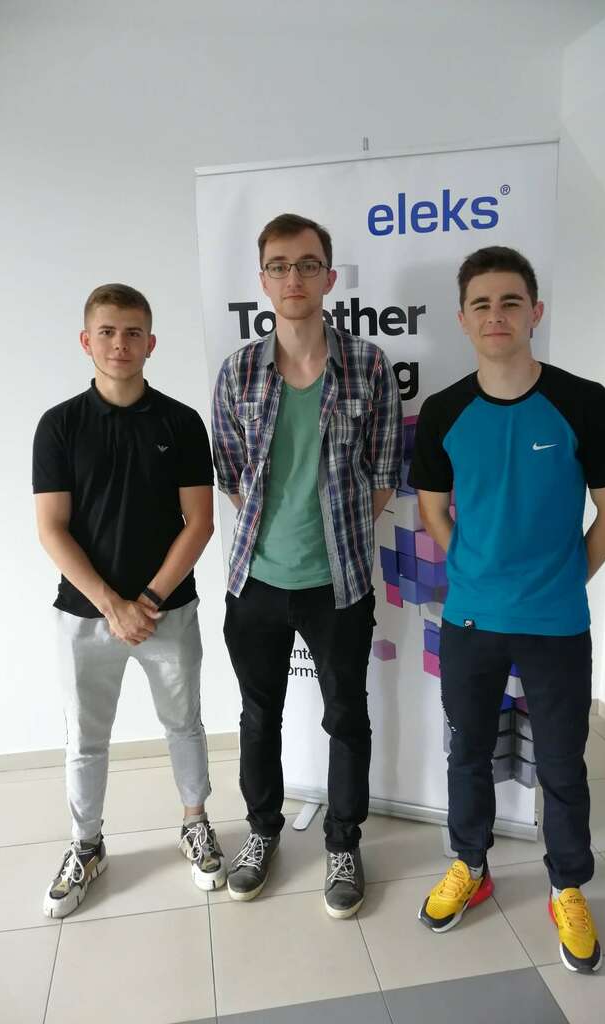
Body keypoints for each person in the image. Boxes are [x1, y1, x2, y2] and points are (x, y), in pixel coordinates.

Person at [409, 246, 605, 973]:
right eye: (481, 304)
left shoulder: (583, 401)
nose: (496, 315)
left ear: (535, 312)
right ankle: (470, 866)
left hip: (556, 623)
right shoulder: (444, 411)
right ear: (463, 319)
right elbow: (433, 510)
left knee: (563, 763)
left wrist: (563, 579)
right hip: (470, 620)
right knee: (467, 753)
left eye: (511, 302)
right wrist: (477, 570)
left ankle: (567, 885)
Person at [212, 213, 402, 918]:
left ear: (329, 276)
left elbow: (383, 474)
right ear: (263, 280)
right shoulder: (237, 371)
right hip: (255, 583)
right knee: (259, 717)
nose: (294, 277)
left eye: (308, 264)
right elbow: (232, 474)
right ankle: (262, 833)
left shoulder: (369, 366)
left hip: (339, 586)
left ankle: (343, 843)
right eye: (280, 266)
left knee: (346, 716)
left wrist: (335, 535)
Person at [33, 283, 223, 918]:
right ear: (87, 341)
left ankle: (195, 822)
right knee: (86, 738)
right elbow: (51, 528)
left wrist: (145, 599)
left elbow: (199, 523)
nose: (121, 344)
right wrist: (113, 605)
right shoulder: (59, 426)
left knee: (184, 724)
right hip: (83, 614)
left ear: (151, 342)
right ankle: (86, 846)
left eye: (133, 332)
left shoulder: (181, 422)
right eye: (108, 332)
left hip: (169, 609)